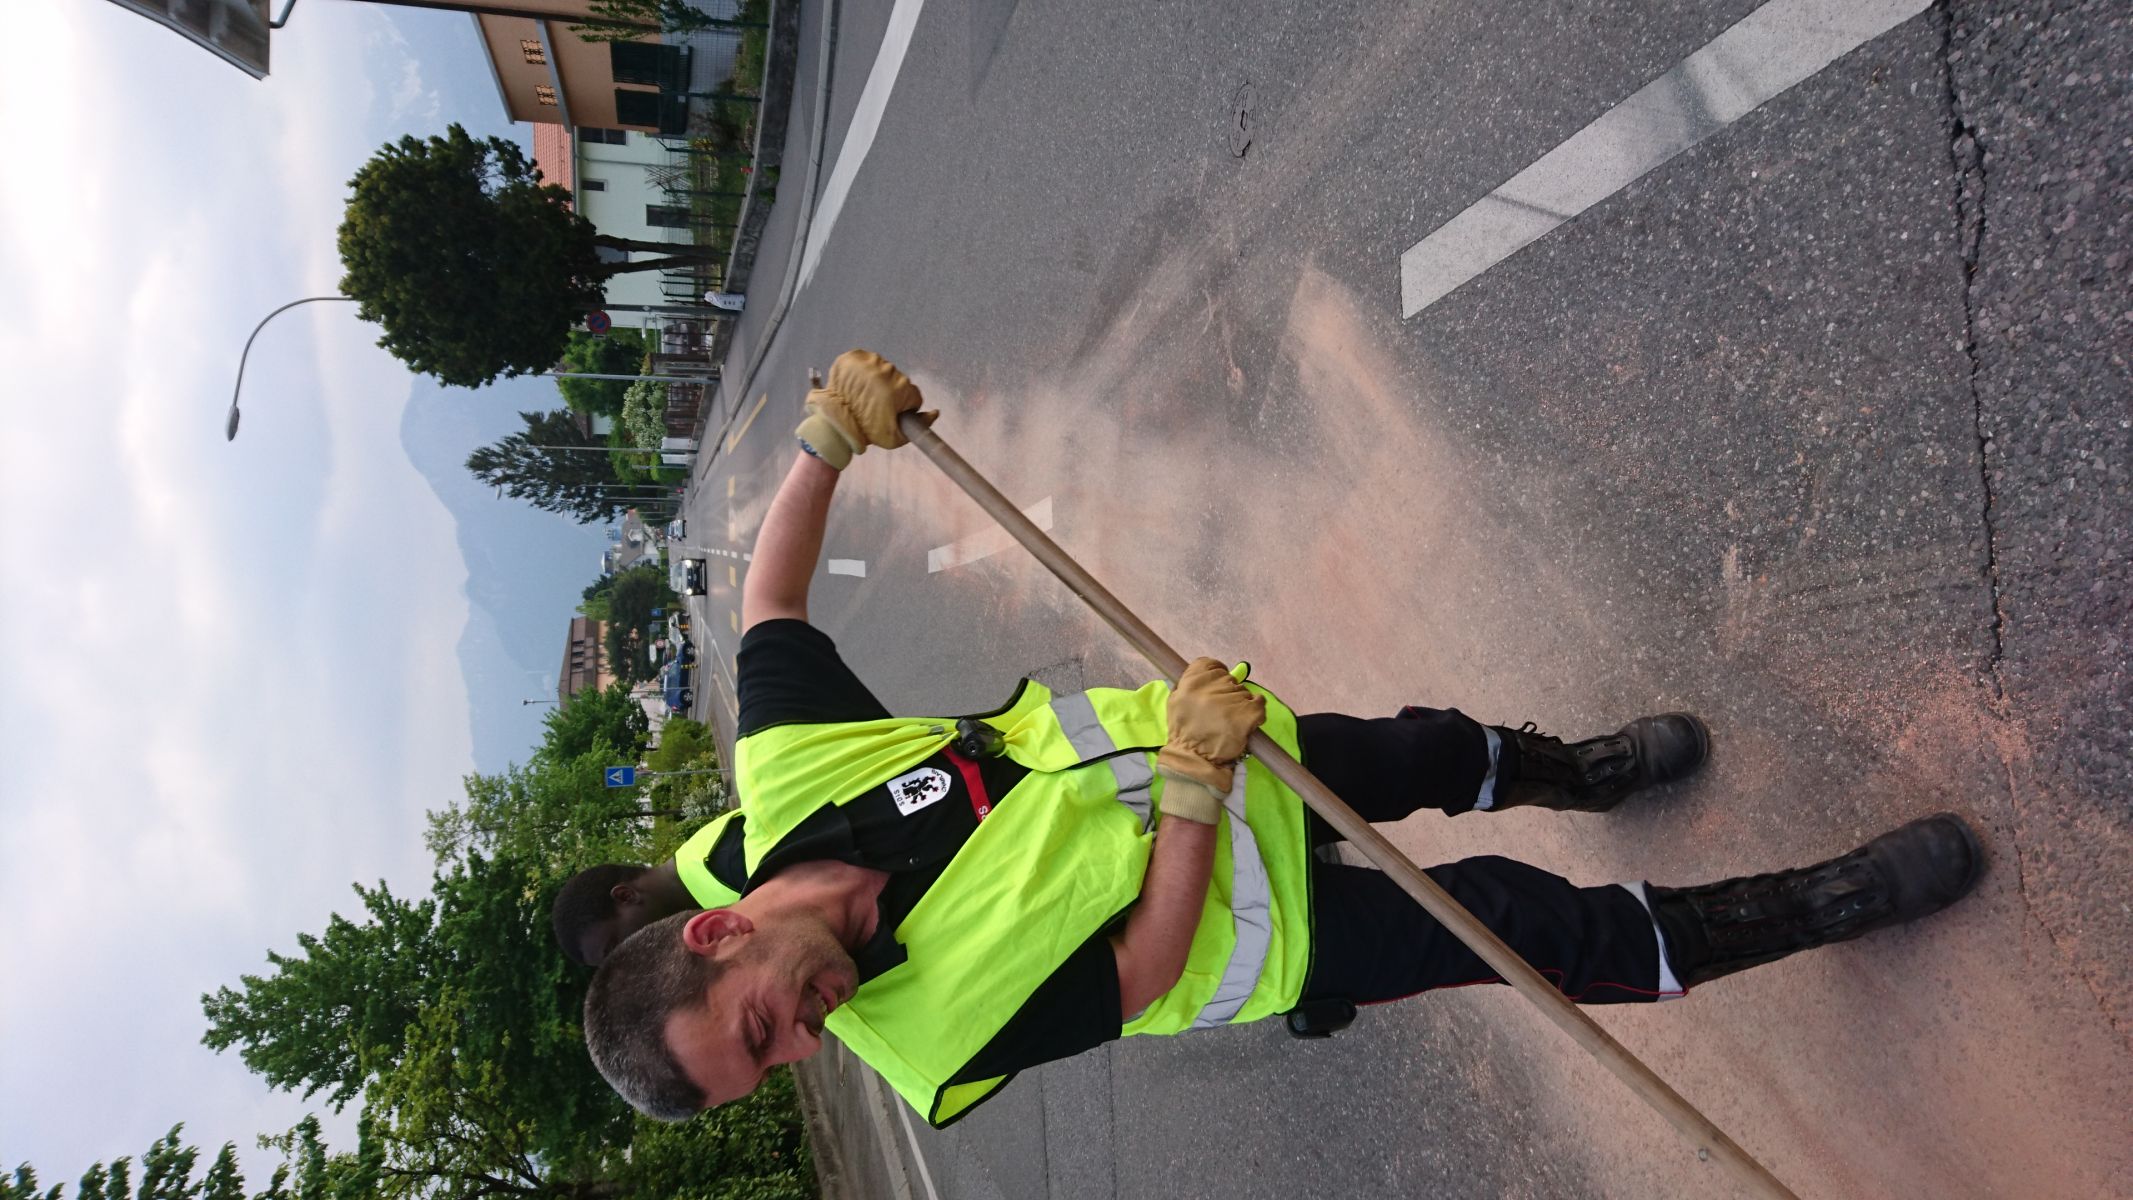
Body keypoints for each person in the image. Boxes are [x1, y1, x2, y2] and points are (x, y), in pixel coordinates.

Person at [581, 350, 1985, 1127]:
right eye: (772, 1068)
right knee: (1529, 931)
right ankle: (1825, 901)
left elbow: (769, 604)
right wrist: (1191, 792)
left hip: (1231, 754)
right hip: (1264, 922)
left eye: (764, 1028)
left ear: (719, 933)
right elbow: (1138, 973)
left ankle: (1587, 772)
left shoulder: (788, 782)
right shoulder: (925, 1044)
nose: (807, 1043)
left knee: (1436, 751)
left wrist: (829, 439)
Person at [552, 809, 748, 968]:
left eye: (616, 946)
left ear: (626, 896)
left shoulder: (727, 863)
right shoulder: (700, 856)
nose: (632, 957)